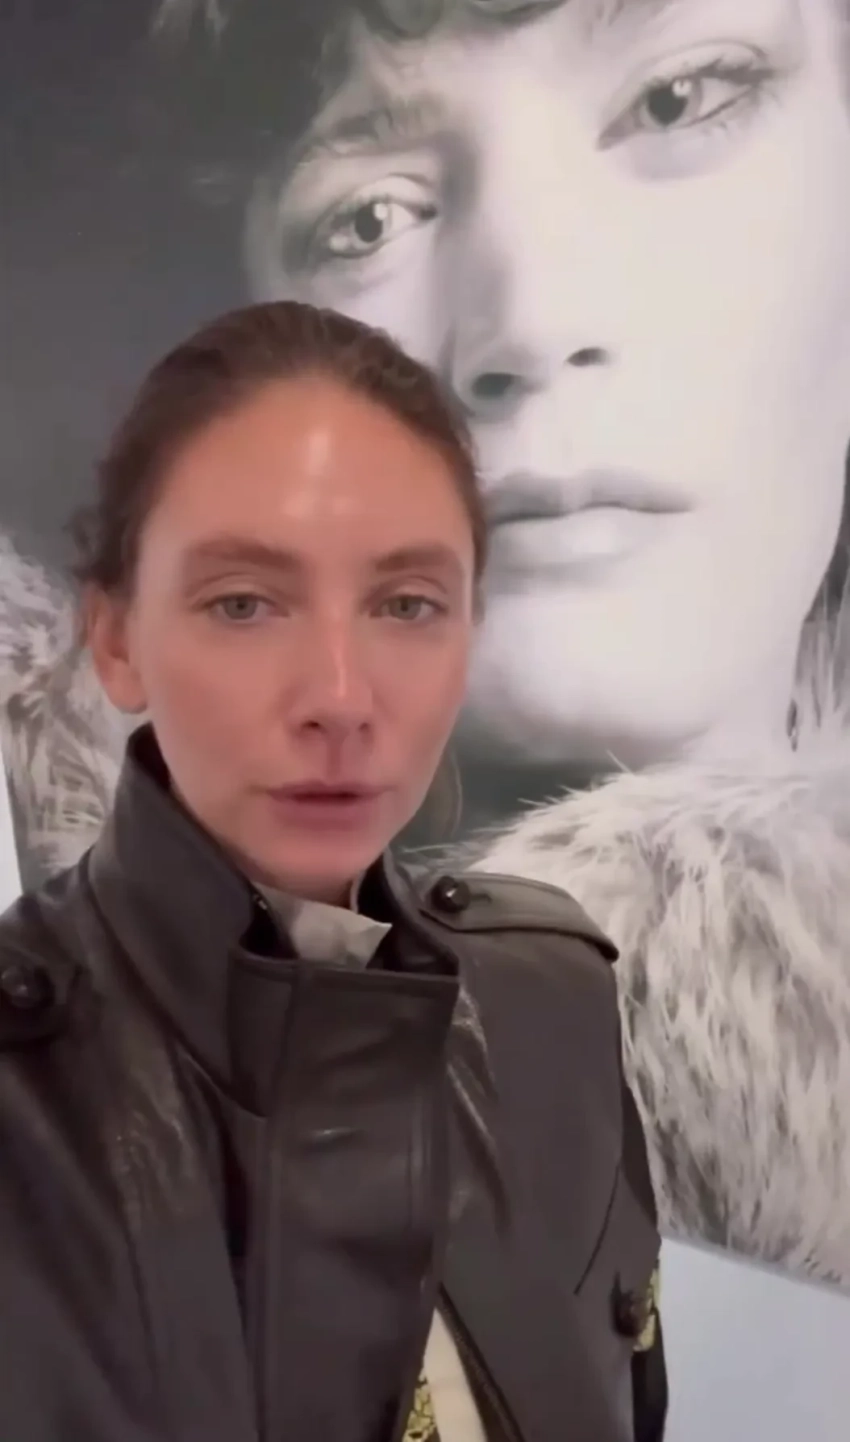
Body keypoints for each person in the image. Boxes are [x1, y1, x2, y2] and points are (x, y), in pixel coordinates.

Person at [0, 300, 666, 1442]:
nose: (343, 699)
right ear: (114, 637)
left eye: (408, 604)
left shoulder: (549, 999)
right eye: (244, 603)